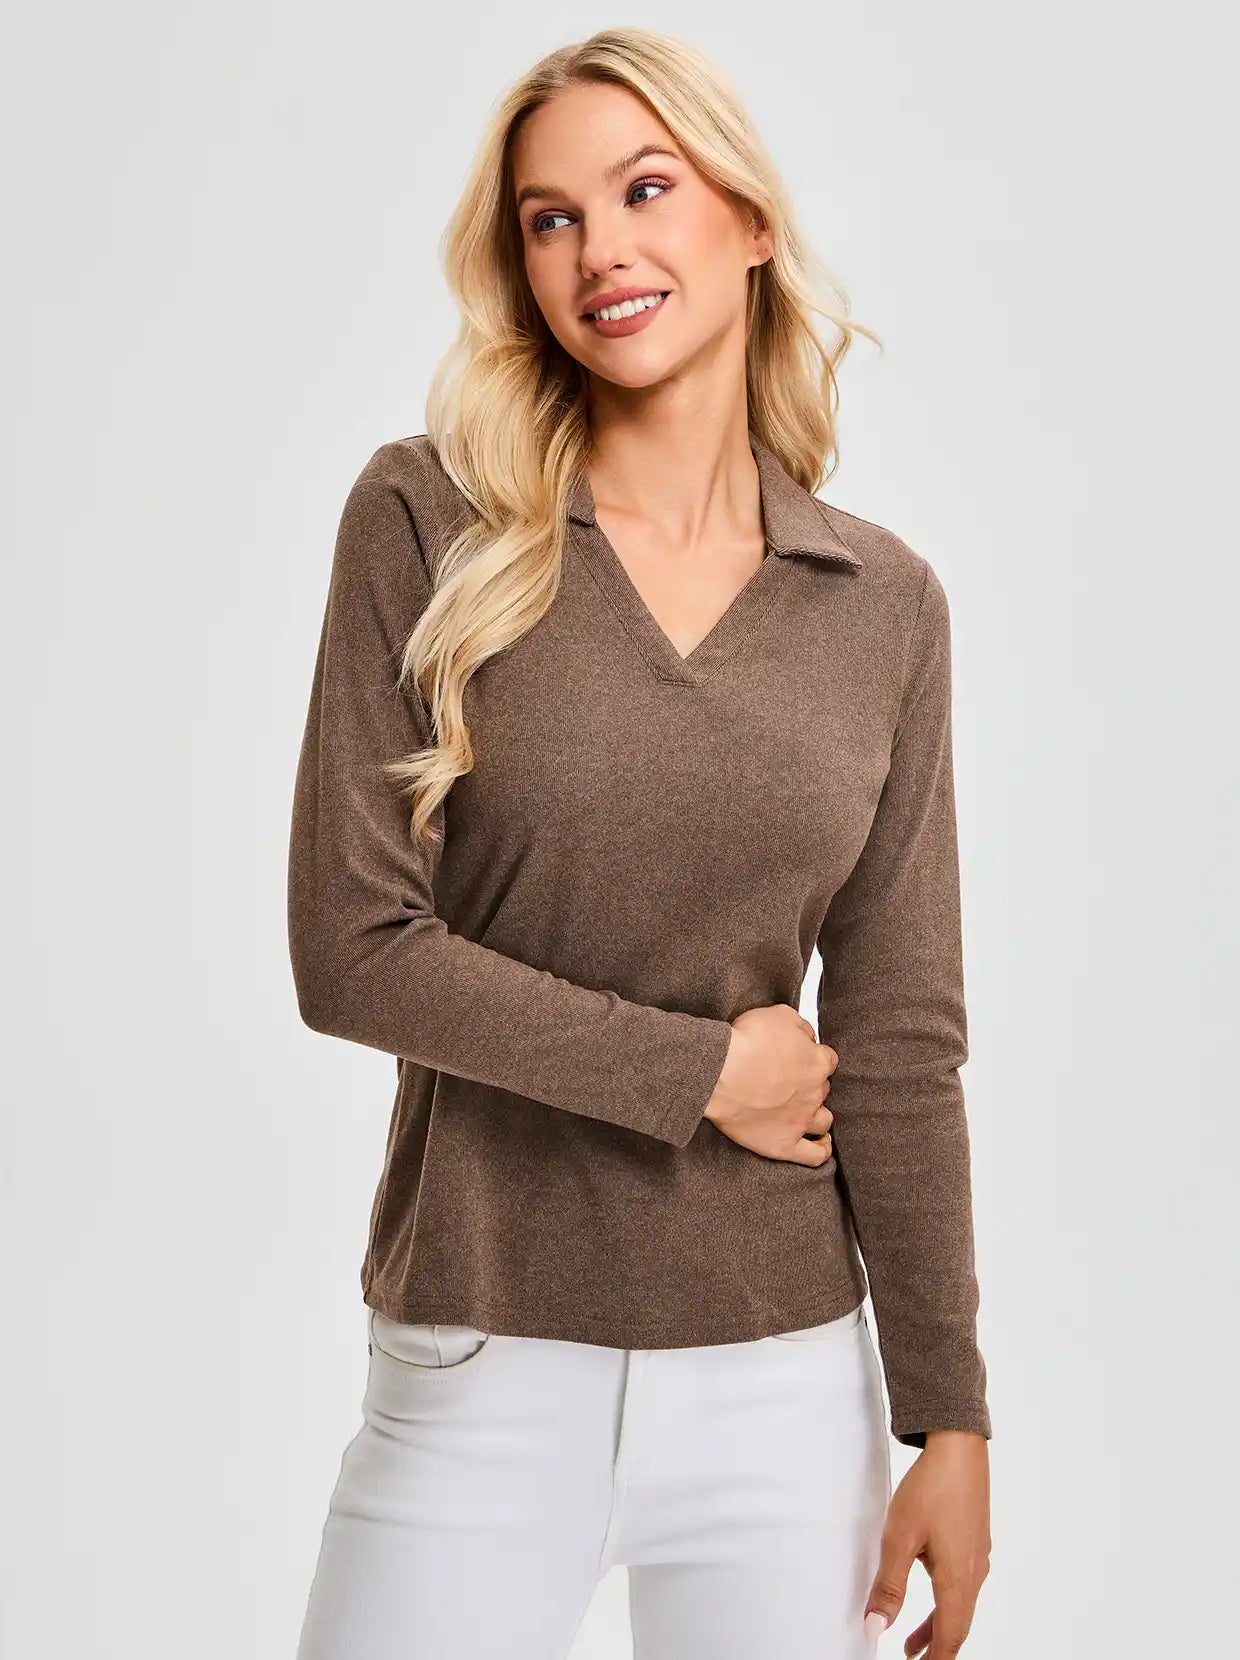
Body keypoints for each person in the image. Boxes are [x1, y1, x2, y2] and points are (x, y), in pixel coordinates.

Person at [286, 25, 991, 1660]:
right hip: (481, 1357)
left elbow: (901, 1035)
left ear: (749, 220)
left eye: (645, 190)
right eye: (552, 219)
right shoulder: (427, 521)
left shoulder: (880, 605)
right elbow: (352, 950)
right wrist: (699, 1073)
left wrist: (948, 1415)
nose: (599, 247)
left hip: (786, 1388)